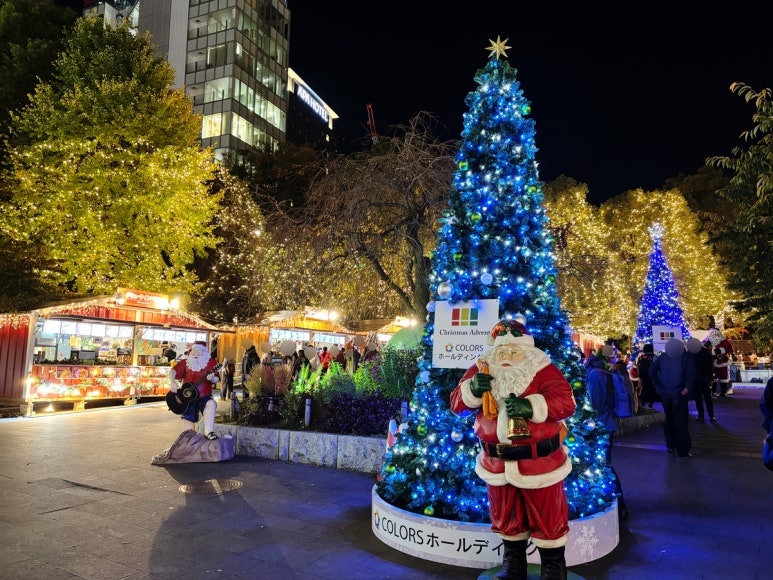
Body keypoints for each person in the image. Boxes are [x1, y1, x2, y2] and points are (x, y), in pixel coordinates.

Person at [450, 318, 576, 579]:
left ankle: (553, 568)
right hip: (495, 462)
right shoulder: (482, 367)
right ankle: (513, 564)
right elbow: (456, 404)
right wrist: (471, 389)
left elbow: (566, 401)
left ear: (526, 348)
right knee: (505, 516)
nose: (507, 356)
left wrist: (532, 406)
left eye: (514, 350)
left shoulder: (541, 367)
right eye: (503, 350)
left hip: (539, 463)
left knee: (548, 517)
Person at [585, 345, 629, 520]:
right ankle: (617, 504)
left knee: (604, 465)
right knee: (604, 464)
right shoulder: (603, 372)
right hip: (608, 422)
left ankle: (619, 505)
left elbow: (595, 404)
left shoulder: (595, 376)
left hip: (601, 425)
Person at [650, 338, 695, 458]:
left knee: (668, 419)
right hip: (679, 393)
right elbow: (691, 373)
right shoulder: (686, 357)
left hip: (665, 393)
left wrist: (658, 387)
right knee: (680, 422)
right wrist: (687, 387)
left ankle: (670, 445)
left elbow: (652, 371)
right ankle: (683, 450)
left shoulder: (662, 357)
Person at [168, 341, 221, 440]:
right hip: (187, 398)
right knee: (188, 422)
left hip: (203, 395)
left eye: (199, 351)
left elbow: (216, 379)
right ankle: (188, 439)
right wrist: (172, 382)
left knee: (211, 404)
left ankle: (209, 432)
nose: (196, 353)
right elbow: (173, 371)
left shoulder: (211, 363)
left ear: (204, 352)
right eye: (194, 351)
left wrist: (211, 378)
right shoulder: (185, 363)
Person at [686, 338, 716, 422]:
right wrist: (710, 377)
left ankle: (701, 415)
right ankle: (711, 415)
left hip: (696, 379)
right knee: (707, 398)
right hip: (704, 378)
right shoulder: (705, 352)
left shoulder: (689, 353)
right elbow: (710, 365)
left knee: (698, 398)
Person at [636, 344, 658, 409]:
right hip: (651, 376)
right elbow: (656, 366)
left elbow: (637, 365)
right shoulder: (654, 357)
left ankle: (643, 403)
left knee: (644, 389)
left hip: (643, 376)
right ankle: (650, 405)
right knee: (651, 390)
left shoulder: (640, 357)